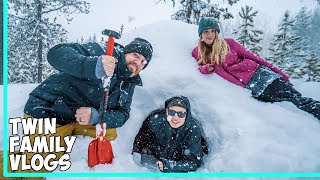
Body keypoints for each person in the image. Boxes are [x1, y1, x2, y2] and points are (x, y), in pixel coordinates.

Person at [2, 37, 153, 178]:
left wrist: (96, 116)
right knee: (36, 165)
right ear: (125, 52)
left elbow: (123, 114)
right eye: (135, 55)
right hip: (49, 109)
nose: (138, 63)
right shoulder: (100, 53)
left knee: (110, 133)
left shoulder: (129, 83)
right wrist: (93, 65)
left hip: (80, 118)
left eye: (143, 62)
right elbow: (55, 54)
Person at [191, 17, 320, 120]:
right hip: (252, 89)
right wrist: (207, 68)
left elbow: (256, 58)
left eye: (213, 31)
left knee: (297, 101)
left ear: (217, 32)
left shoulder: (229, 43)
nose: (210, 34)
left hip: (262, 77)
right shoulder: (198, 52)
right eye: (206, 31)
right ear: (201, 34)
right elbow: (199, 68)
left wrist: (281, 74)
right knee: (286, 110)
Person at [132, 96, 208, 172]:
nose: (175, 117)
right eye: (172, 112)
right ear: (167, 111)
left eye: (181, 114)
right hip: (155, 158)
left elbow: (194, 162)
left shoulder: (192, 130)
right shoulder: (156, 122)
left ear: (186, 115)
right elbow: (140, 141)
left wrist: (169, 166)